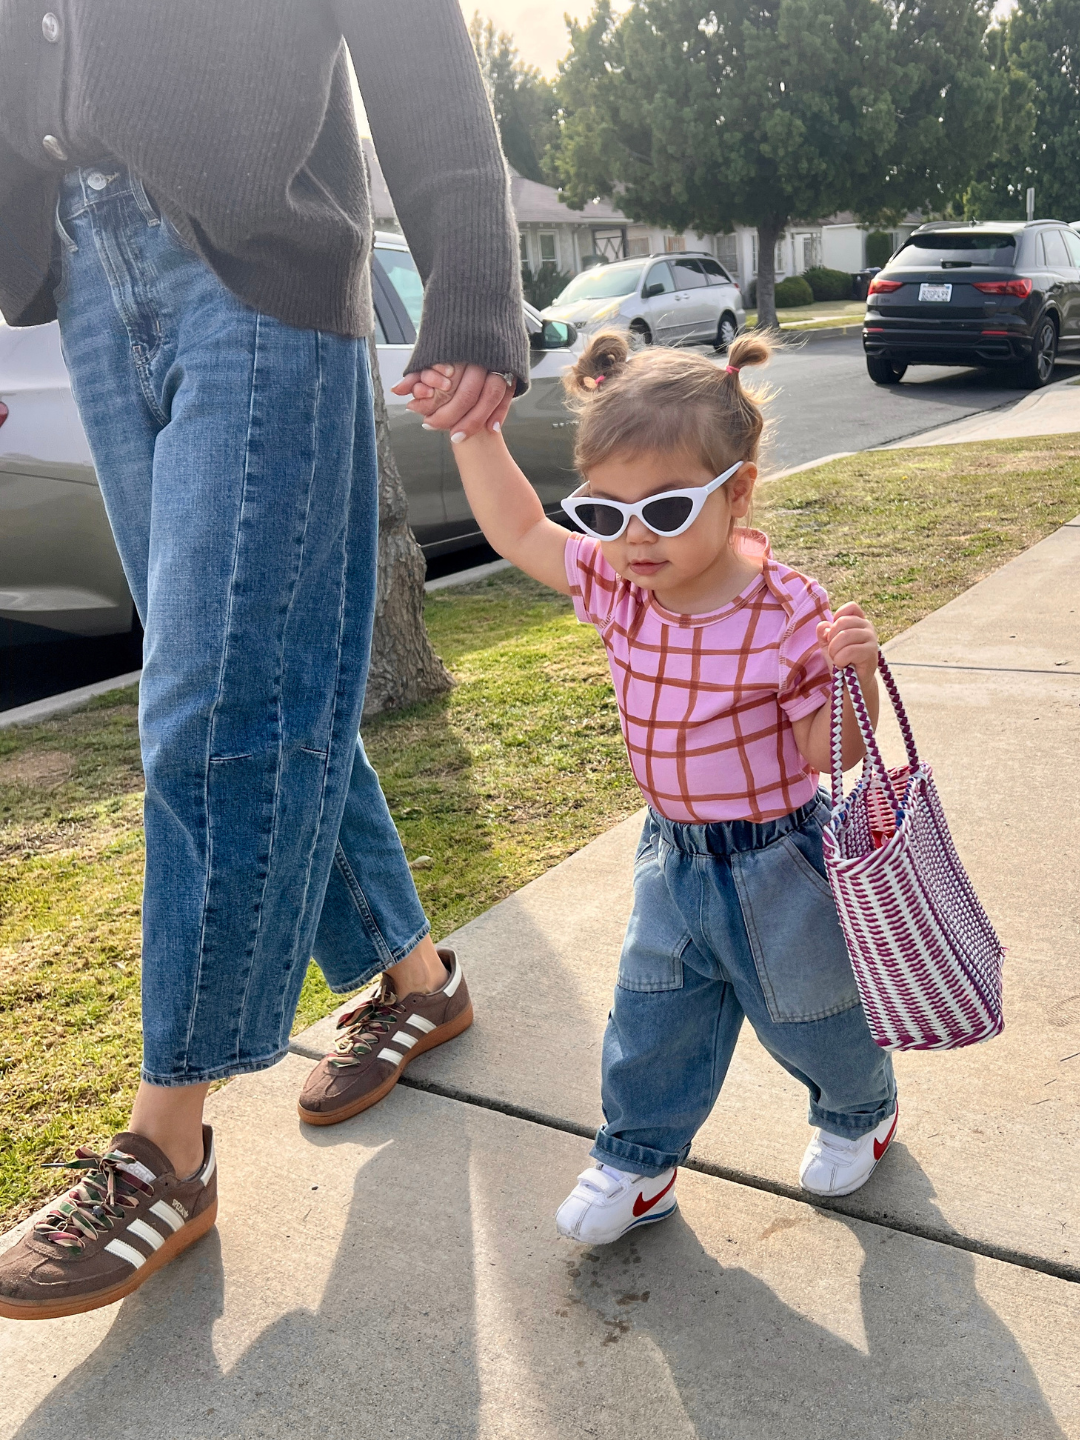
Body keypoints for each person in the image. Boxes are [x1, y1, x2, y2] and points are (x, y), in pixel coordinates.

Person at [0, 0, 525, 1320]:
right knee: (262, 668)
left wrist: (470, 281)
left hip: (255, 260)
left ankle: (166, 1147)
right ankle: (418, 982)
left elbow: (413, 35)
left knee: (215, 696)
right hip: (77, 263)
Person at [421, 330, 899, 1247]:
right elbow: (522, 529)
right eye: (604, 512)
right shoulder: (620, 584)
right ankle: (637, 1162)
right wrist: (472, 434)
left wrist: (854, 681)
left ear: (740, 493)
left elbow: (826, 752)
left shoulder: (789, 609)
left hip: (778, 860)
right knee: (651, 1016)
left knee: (812, 1014)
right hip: (671, 853)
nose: (633, 537)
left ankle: (858, 1111)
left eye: (667, 510)